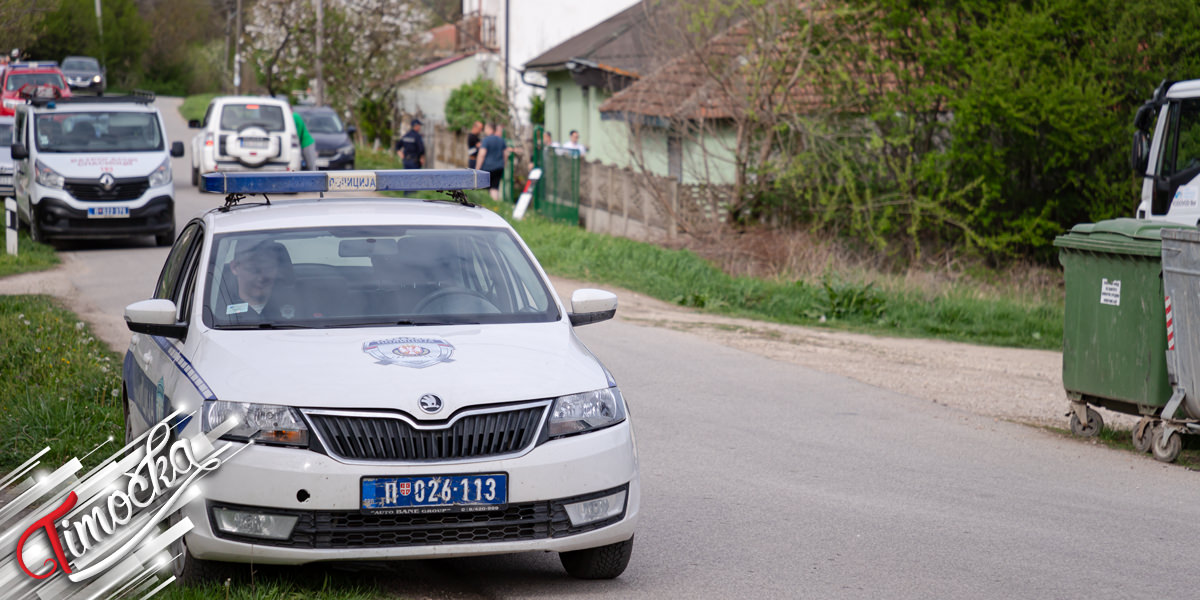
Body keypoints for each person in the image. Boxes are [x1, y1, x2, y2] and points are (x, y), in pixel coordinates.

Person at [224, 240, 294, 322]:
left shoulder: (300, 303)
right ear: (234, 267)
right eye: (253, 269)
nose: (261, 278)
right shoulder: (215, 308)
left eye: (268, 268)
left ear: (277, 269)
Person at [475, 123, 508, 201]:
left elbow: (482, 154)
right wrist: (504, 164)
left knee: (484, 188)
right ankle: (495, 204)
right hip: (499, 167)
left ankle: (486, 204)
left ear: (490, 129)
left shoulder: (486, 140)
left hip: (488, 167)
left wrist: (477, 168)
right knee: (495, 187)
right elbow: (505, 154)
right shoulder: (501, 140)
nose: (485, 130)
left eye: (486, 128)